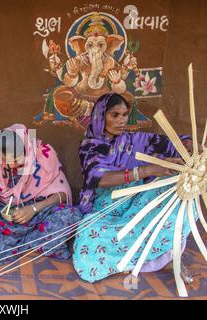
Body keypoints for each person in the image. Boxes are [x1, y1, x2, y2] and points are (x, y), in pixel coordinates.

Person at [73, 93, 197, 283]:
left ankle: (171, 255)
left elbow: (172, 142)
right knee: (89, 238)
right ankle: (151, 259)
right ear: (100, 116)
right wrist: (146, 170)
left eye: (124, 115)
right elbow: (100, 178)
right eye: (115, 115)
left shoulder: (133, 139)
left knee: (178, 188)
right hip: (107, 205)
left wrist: (189, 146)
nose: (121, 120)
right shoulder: (89, 146)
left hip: (137, 199)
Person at [0, 124, 83, 267]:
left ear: (25, 148)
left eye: (15, 159)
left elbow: (62, 194)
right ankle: (35, 242)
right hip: (1, 215)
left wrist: (33, 209)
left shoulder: (43, 155)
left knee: (71, 214)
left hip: (37, 214)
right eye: (5, 160)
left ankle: (6, 245)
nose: (10, 165)